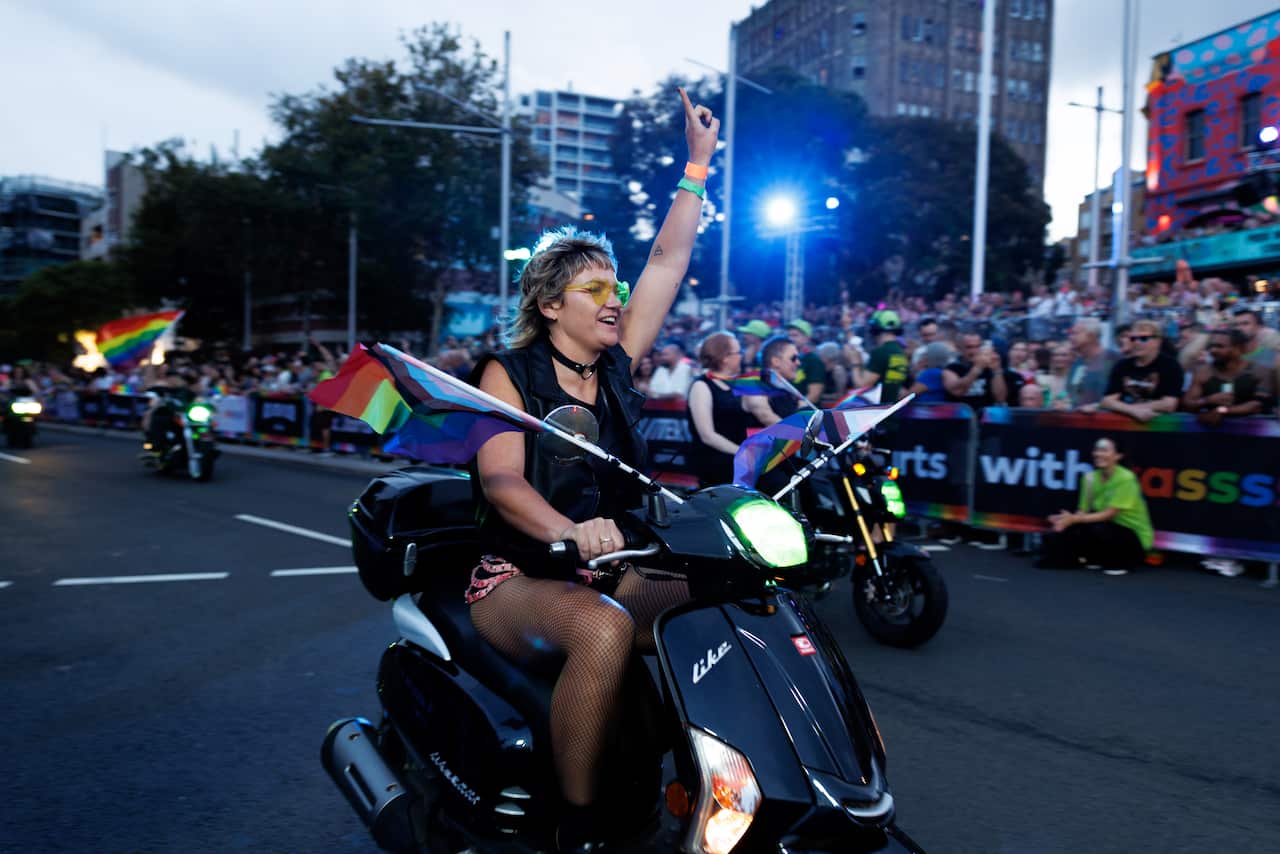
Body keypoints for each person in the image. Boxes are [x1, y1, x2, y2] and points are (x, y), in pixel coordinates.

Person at [467, 88, 718, 853]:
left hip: (610, 566)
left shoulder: (614, 366)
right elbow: (503, 483)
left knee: (729, 594)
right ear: (551, 304)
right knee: (605, 628)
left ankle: (720, 781)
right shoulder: (507, 373)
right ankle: (577, 822)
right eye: (595, 291)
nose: (615, 301)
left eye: (616, 290)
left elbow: (668, 259)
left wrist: (698, 164)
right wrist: (571, 531)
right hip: (514, 579)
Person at [1035, 436, 1153, 575]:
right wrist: (1064, 520)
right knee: (1066, 531)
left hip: (1133, 538)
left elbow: (1109, 514)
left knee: (1100, 527)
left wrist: (1073, 519)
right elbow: (1082, 512)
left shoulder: (1126, 478)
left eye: (1104, 450)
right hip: (1105, 529)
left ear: (1118, 456)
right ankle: (1094, 557)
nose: (1098, 454)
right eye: (1096, 450)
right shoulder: (1089, 478)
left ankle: (1122, 562)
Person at [686, 331, 754, 486]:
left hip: (739, 457)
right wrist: (742, 453)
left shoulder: (738, 384)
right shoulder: (701, 386)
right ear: (725, 358)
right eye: (738, 352)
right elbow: (707, 436)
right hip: (717, 460)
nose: (741, 356)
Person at [1182, 328, 1274, 425]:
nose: (1213, 350)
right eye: (1211, 346)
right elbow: (1188, 404)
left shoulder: (1259, 371)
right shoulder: (1203, 372)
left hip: (1253, 430)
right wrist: (1207, 400)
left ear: (1238, 348)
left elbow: (1258, 405)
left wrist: (1222, 410)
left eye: (1220, 346)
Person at [1100, 319, 1183, 422]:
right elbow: (1107, 401)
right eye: (1133, 339)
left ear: (1157, 342)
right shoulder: (1122, 366)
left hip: (1161, 426)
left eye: (1144, 338)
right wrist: (1133, 411)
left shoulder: (1171, 366)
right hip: (1124, 425)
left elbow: (1169, 404)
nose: (1137, 342)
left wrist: (1126, 408)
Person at [743, 335, 802, 426]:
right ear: (776, 361)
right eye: (793, 358)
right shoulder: (755, 387)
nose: (798, 363)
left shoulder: (789, 389)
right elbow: (766, 417)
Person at [942, 332, 1007, 412]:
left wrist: (997, 370)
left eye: (977, 346)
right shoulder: (951, 368)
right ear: (959, 348)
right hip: (961, 416)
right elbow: (957, 391)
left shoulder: (987, 368)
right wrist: (977, 368)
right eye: (969, 347)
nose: (974, 351)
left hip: (985, 416)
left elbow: (1000, 398)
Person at [1065, 318, 1117, 411]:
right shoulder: (1077, 363)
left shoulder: (1113, 359)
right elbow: (1071, 393)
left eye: (1075, 333)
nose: (1070, 337)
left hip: (1105, 417)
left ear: (1091, 336)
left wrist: (1097, 406)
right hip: (1077, 417)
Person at [858, 310, 908, 401]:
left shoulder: (880, 352)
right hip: (892, 408)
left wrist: (855, 364)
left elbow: (862, 386)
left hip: (879, 408)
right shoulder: (901, 352)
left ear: (876, 329)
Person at [786, 319, 826, 404]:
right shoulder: (785, 359)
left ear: (807, 338)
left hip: (805, 410)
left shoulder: (813, 361)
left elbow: (814, 395)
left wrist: (797, 409)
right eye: (789, 335)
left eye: (795, 335)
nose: (790, 339)